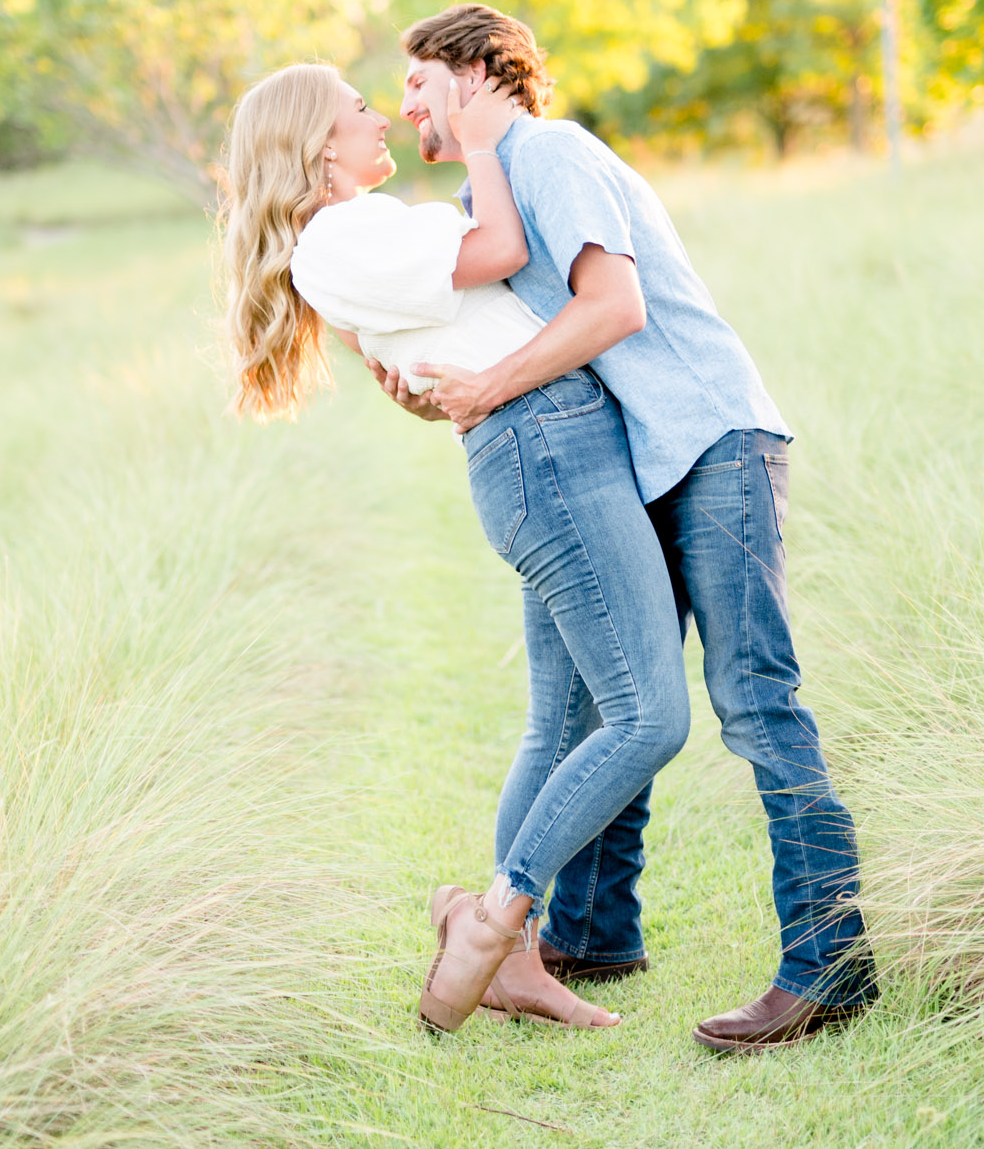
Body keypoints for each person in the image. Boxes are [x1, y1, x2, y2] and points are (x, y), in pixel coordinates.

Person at [374, 3, 877, 1053]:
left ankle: (828, 963)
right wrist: (443, 389)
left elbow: (611, 309)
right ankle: (596, 933)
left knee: (753, 701)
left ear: (475, 71)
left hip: (710, 437)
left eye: (417, 80)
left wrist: (487, 386)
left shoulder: (547, 151)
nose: (404, 102)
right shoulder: (490, 186)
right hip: (642, 452)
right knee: (620, 692)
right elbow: (513, 333)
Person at [219, 62, 693, 1033]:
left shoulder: (353, 234)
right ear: (318, 145)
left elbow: (425, 350)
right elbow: (499, 246)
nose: (382, 116)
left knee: (559, 724)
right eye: (359, 110)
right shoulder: (342, 234)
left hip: (548, 437)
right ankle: (489, 920)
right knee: (648, 716)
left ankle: (510, 958)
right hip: (546, 446)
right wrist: (481, 141)